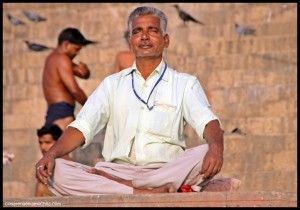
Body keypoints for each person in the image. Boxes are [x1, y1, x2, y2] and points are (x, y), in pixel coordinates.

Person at [36, 6, 240, 196]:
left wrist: (216, 149)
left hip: (166, 170)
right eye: (137, 31)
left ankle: (127, 188)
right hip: (117, 171)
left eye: (152, 30)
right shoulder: (111, 84)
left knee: (205, 151)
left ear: (165, 39)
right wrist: (51, 154)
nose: (144, 36)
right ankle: (146, 191)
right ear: (131, 41)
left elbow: (207, 121)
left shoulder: (185, 83)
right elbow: (82, 126)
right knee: (58, 170)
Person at [42, 27, 95, 130]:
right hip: (63, 112)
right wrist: (90, 108)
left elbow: (81, 73)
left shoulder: (52, 58)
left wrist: (86, 72)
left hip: (54, 111)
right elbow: (74, 90)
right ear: (66, 44)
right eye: (76, 49)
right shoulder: (62, 59)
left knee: (54, 144)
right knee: (65, 145)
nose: (76, 53)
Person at [35, 124, 72, 197]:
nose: (43, 147)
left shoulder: (68, 165)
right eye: (40, 142)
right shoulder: (44, 167)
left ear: (58, 143)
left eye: (48, 142)